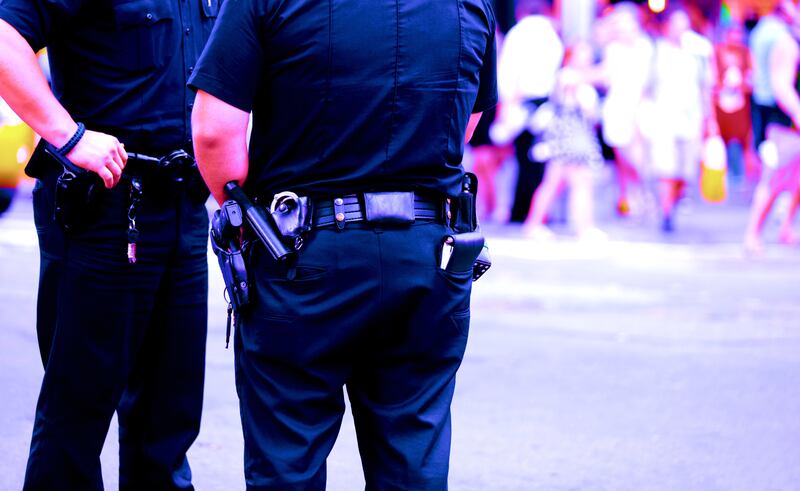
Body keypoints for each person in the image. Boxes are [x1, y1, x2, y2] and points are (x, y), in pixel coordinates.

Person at [189, 0, 496, 488]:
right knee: (413, 458)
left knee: (288, 457)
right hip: (428, 248)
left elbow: (213, 133)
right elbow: (464, 123)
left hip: (302, 249)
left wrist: (247, 220)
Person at [0, 0, 216, 488]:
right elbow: (4, 39)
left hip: (182, 207)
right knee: (75, 422)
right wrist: (69, 137)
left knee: (168, 427)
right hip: (103, 209)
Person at [523, 41, 607, 241]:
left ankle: (577, 226)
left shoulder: (578, 78)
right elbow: (575, 88)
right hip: (567, 137)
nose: (586, 58)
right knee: (562, 182)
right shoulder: (567, 76)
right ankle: (579, 228)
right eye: (581, 54)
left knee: (568, 182)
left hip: (579, 136)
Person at [491, 0, 564, 223]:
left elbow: (506, 72)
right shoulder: (552, 34)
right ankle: (536, 212)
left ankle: (520, 210)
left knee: (522, 158)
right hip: (545, 103)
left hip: (521, 101)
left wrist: (505, 104)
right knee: (539, 159)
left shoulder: (518, 33)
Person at [647, 6, 718, 232]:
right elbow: (646, 87)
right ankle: (666, 211)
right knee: (666, 168)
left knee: (685, 171)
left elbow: (706, 88)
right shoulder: (656, 51)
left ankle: (673, 203)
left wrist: (710, 119)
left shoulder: (697, 52)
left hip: (691, 119)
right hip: (663, 119)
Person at [744, 0, 800, 253]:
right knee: (774, 178)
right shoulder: (786, 41)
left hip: (789, 121)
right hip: (785, 123)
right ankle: (752, 234)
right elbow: (781, 85)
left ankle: (785, 227)